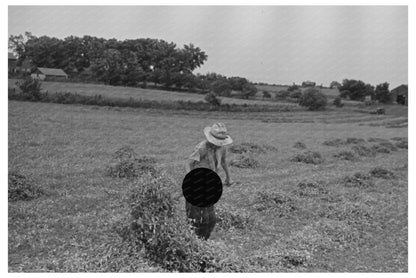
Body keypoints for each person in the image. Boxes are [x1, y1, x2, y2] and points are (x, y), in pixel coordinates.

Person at [184, 122, 234, 240]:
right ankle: (192, 241)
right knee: (196, 217)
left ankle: (203, 242)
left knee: (210, 219)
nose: (218, 144)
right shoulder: (202, 147)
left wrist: (228, 176)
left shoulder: (222, 147)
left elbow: (223, 161)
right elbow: (188, 163)